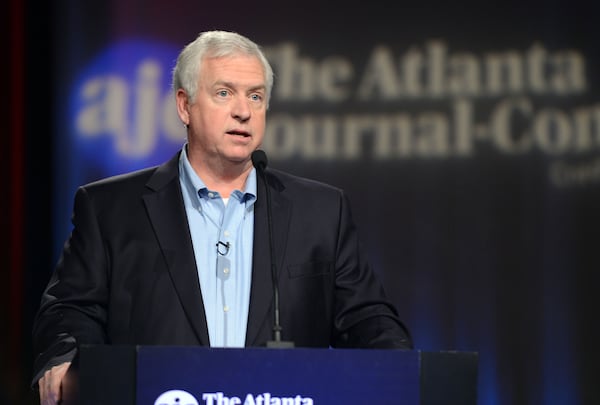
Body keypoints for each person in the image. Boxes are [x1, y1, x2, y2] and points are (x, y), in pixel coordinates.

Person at [32, 30, 412, 404]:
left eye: (256, 96)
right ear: (185, 106)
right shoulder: (110, 208)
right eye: (224, 93)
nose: (243, 111)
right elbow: (71, 308)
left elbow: (367, 318)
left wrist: (404, 372)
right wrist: (68, 358)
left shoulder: (322, 211)